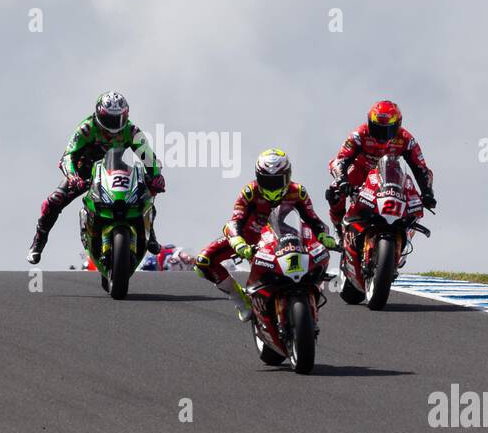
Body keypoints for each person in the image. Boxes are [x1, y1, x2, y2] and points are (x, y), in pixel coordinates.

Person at [27, 92, 164, 263]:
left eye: (118, 119)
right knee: (54, 201)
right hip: (84, 172)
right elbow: (67, 156)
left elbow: (150, 157)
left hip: (114, 169)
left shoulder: (131, 130)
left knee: (147, 189)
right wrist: (72, 176)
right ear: (99, 114)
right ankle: (38, 242)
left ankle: (150, 233)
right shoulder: (86, 128)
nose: (113, 124)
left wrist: (157, 176)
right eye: (109, 119)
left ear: (125, 115)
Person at [195, 149, 337, 303]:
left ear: (287, 177)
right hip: (250, 238)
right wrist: (238, 241)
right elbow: (235, 220)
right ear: (258, 177)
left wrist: (323, 236)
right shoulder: (249, 192)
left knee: (315, 249)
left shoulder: (298, 192)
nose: (272, 187)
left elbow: (313, 219)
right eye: (266, 181)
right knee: (203, 261)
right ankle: (240, 299)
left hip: (283, 236)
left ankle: (313, 287)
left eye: (276, 181)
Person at [326, 100, 434, 237]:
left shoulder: (406, 140)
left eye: (387, 131)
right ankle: (338, 228)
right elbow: (340, 160)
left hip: (390, 175)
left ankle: (403, 233)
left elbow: (421, 168)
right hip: (360, 172)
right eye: (377, 129)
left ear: (398, 126)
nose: (382, 136)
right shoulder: (358, 135)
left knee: (411, 190)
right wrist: (342, 180)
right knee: (334, 190)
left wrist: (427, 193)